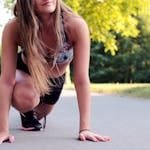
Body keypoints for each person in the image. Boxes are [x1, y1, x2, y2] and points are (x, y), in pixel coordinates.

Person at [0, 0, 111, 144]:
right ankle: (25, 110)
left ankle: (29, 114)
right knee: (27, 98)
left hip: (55, 81)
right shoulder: (14, 27)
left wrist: (85, 128)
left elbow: (81, 79)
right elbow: (7, 80)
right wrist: (3, 129)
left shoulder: (75, 25)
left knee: (40, 114)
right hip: (27, 73)